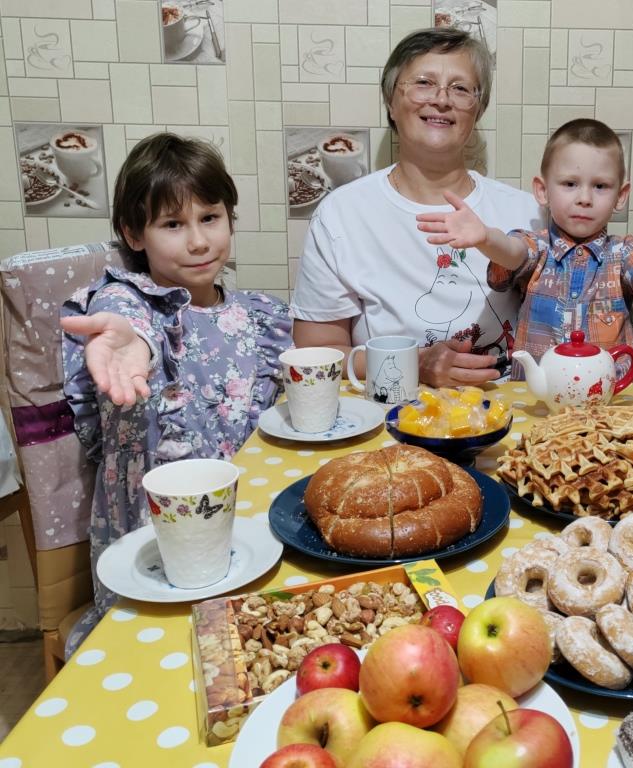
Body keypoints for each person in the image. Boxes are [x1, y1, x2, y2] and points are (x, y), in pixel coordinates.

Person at [59, 133, 292, 653]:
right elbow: (128, 317)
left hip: (246, 526)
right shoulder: (129, 301)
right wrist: (132, 343)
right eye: (172, 224)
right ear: (133, 234)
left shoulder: (259, 316)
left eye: (210, 218)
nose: (198, 242)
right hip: (154, 537)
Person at [291, 27, 542, 387]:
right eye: (424, 82)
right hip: (389, 418)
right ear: (391, 102)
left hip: (508, 419)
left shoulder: (526, 212)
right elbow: (319, 352)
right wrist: (413, 364)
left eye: (460, 88)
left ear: (478, 110)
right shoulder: (342, 215)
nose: (441, 100)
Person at [416, 118, 633, 379]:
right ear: (542, 191)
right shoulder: (537, 245)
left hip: (611, 399)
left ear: (620, 196)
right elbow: (512, 252)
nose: (584, 197)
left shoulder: (622, 252)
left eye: (600, 186)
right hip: (537, 400)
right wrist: (485, 236)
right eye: (570, 184)